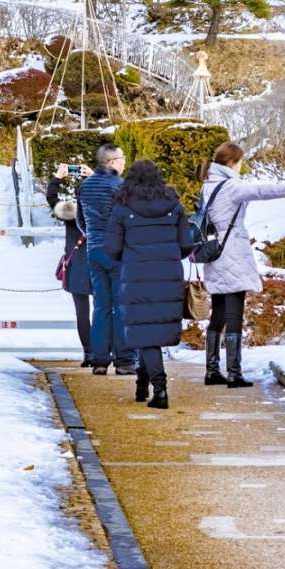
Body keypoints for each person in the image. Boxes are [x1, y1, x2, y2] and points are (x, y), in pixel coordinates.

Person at [196, 141, 285, 388]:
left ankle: (212, 370)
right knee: (234, 311)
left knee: (218, 311)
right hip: (232, 253)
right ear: (231, 162)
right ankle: (234, 373)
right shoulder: (230, 186)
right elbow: (258, 191)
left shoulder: (208, 184)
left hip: (214, 253)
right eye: (240, 162)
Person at [101, 160, 196, 410]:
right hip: (168, 274)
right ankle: (142, 385)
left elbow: (112, 248)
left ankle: (160, 388)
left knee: (145, 332)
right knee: (149, 332)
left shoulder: (122, 207)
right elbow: (186, 244)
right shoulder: (174, 205)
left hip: (136, 275)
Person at [79, 143, 134, 375]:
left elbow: (81, 221)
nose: (124, 162)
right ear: (111, 162)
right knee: (120, 305)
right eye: (121, 158)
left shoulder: (85, 186)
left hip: (94, 249)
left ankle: (100, 359)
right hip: (117, 250)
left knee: (100, 306)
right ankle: (124, 360)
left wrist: (92, 236)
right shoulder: (120, 186)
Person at [48, 162, 93, 366]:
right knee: (106, 310)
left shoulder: (70, 212)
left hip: (77, 267)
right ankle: (107, 351)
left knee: (82, 313)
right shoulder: (102, 209)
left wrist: (57, 178)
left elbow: (51, 199)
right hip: (101, 264)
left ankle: (89, 353)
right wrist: (92, 177)